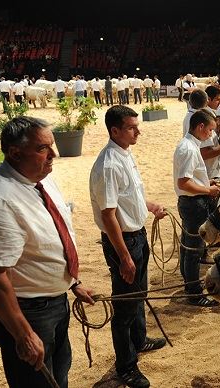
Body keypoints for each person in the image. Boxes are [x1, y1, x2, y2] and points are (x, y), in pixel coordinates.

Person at [0, 116, 95, 388]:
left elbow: (52, 238)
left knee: (59, 374)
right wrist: (23, 334)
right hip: (27, 309)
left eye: (51, 146)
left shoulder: (42, 180)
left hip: (52, 303)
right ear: (15, 152)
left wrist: (73, 282)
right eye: (42, 149)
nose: (53, 155)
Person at [89, 105, 167, 388]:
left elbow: (130, 196)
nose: (138, 131)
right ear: (115, 131)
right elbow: (109, 215)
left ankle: (140, 340)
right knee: (124, 306)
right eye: (132, 127)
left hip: (137, 234)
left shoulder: (125, 153)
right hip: (123, 240)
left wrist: (150, 206)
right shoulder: (108, 164)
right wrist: (123, 256)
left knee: (139, 294)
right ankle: (126, 366)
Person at [173, 110, 220, 307]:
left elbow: (190, 178)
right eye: (210, 130)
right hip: (194, 203)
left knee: (188, 245)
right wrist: (207, 189)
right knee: (194, 249)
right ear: (200, 127)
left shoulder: (189, 145)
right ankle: (194, 292)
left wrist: (205, 181)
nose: (211, 135)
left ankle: (189, 283)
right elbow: (184, 182)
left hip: (192, 200)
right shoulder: (189, 149)